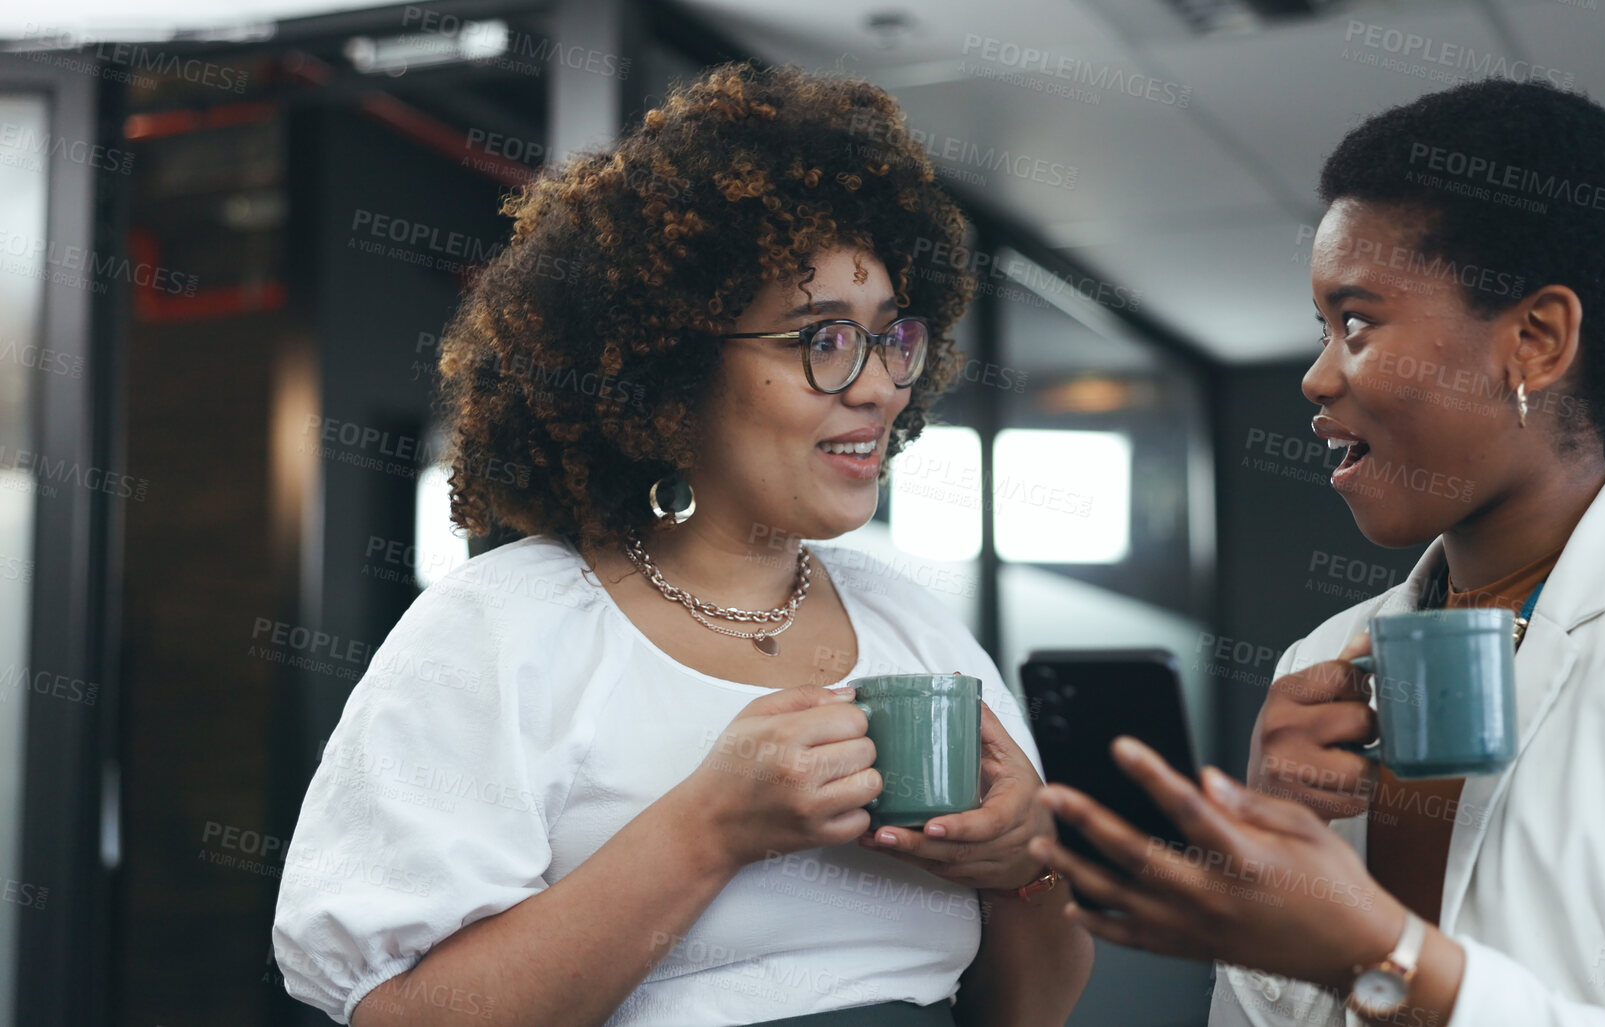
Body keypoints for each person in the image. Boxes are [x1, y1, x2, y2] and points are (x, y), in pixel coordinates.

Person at [1023, 78, 1605, 1027]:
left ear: (1534, 340)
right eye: (1321, 327)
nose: (1317, 375)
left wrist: (1379, 950)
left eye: (1355, 321)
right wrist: (1277, 835)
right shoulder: (1324, 657)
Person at [271, 63, 1092, 1027]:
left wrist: (1025, 865)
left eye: (891, 336)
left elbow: (1025, 1014)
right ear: (669, 364)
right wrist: (711, 827)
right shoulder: (501, 627)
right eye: (821, 338)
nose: (878, 387)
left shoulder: (916, 629)